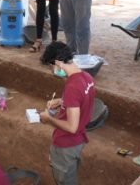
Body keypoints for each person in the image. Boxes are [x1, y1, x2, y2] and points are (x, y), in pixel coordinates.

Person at [39, 41, 95, 185]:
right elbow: (80, 101)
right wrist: (62, 101)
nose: (52, 71)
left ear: (58, 63)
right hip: (78, 140)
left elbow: (71, 127)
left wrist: (48, 118)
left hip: (66, 144)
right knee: (70, 174)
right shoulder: (86, 77)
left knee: (65, 180)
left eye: (51, 67)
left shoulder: (72, 86)